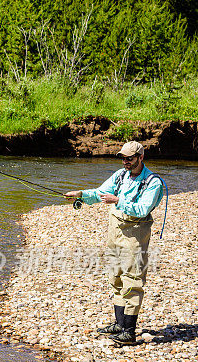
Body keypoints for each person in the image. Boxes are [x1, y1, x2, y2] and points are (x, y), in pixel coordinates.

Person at [64, 141, 165, 345]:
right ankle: (119, 324)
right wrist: (81, 195)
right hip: (115, 233)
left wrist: (117, 201)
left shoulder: (153, 182)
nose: (125, 162)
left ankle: (129, 331)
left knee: (133, 280)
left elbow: (142, 209)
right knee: (115, 276)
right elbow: (101, 193)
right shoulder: (120, 175)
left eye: (129, 158)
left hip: (135, 235)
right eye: (123, 158)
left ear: (140, 157)